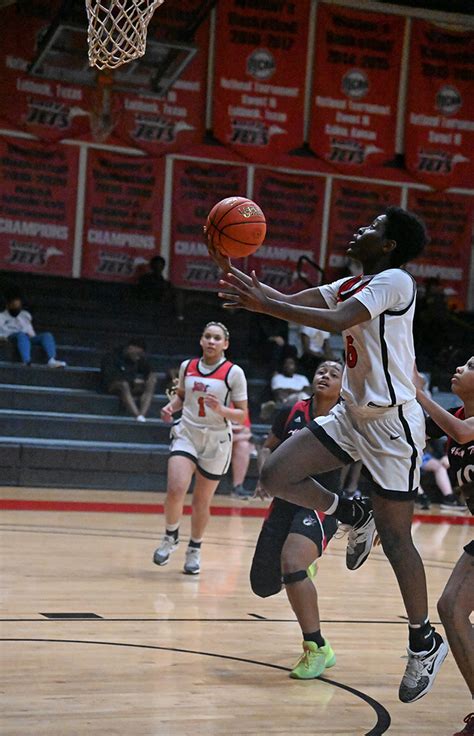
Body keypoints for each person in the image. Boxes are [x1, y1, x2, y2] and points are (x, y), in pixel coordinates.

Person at [209, 205, 448, 703]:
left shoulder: (397, 282)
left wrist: (265, 305)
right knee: (274, 474)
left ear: (388, 247)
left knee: (398, 539)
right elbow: (287, 299)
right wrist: (235, 271)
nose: (361, 228)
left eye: (374, 227)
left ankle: (423, 639)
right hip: (351, 413)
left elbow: (335, 320)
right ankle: (350, 511)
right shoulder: (351, 284)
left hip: (391, 426)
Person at [250, 361, 343, 678]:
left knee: (292, 563)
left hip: (320, 504)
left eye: (334, 373)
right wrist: (265, 475)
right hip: (284, 501)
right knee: (263, 585)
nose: (325, 375)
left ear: (345, 385)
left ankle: (317, 648)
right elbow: (267, 447)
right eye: (321, 370)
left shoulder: (347, 418)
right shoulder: (292, 411)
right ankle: (305, 565)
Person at [153, 321, 248, 575]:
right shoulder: (188, 366)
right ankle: (170, 535)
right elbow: (182, 397)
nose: (211, 341)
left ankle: (194, 548)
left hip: (217, 440)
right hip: (187, 432)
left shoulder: (233, 373)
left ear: (225, 344)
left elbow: (241, 415)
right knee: (175, 489)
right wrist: (171, 407)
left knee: (201, 501)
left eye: (217, 338)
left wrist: (222, 410)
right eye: (207, 336)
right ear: (201, 340)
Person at [413, 359, 474, 736]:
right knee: (451, 607)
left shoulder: (460, 424)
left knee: (452, 606)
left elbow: (464, 433)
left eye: (471, 365)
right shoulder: (454, 416)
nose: (459, 367)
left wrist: (420, 393)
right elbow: (412, 426)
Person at [0, 294, 66, 367]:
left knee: (47, 335)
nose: (16, 307)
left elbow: (30, 331)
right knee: (21, 335)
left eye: (18, 306)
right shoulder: (1, 316)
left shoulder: (24, 315)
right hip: (10, 338)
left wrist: (31, 335)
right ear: (8, 305)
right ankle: (27, 361)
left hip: (26, 339)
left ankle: (52, 360)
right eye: (14, 305)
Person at [100, 338, 157, 422]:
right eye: (137, 354)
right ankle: (136, 414)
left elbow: (149, 370)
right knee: (124, 385)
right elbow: (110, 376)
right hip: (111, 384)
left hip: (130, 385)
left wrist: (150, 377)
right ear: (130, 348)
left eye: (140, 355)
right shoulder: (112, 356)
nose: (138, 357)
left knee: (151, 382)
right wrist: (132, 381)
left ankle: (142, 415)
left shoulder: (138, 359)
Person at [231, 408, 255, 499]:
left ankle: (237, 487)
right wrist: (246, 436)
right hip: (211, 441)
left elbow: (246, 430)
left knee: (243, 446)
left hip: (230, 443)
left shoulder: (239, 403)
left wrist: (244, 435)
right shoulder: (213, 402)